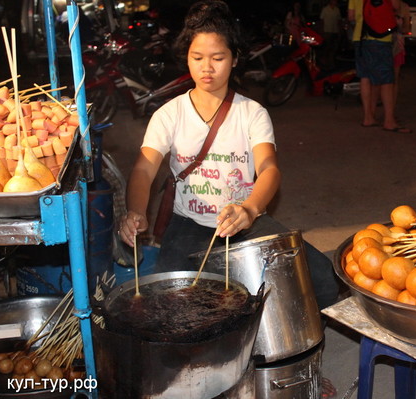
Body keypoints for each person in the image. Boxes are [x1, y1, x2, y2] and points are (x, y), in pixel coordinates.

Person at [118, 0, 339, 311]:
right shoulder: (169, 114)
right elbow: (144, 169)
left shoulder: (251, 113)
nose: (206, 68)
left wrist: (249, 209)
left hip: (245, 222)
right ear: (187, 58)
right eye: (197, 57)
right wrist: (136, 211)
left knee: (324, 282)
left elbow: (269, 169)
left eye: (218, 58)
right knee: (166, 303)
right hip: (189, 225)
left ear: (235, 59)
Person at [348, 0, 411, 133]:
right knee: (386, 80)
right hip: (379, 38)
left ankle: (368, 117)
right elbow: (396, 5)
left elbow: (351, 16)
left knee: (365, 77)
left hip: (360, 37)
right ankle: (389, 121)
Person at [392, 0, 410, 108]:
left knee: (393, 79)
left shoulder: (404, 7)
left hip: (395, 45)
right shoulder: (385, 4)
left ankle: (390, 111)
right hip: (386, 44)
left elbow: (406, 28)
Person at [319, 0, 342, 70]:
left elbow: (339, 20)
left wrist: (339, 30)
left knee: (333, 47)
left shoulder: (337, 10)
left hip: (335, 30)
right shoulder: (325, 9)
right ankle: (324, 61)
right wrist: (322, 30)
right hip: (327, 30)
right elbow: (321, 20)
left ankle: (331, 62)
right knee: (327, 47)